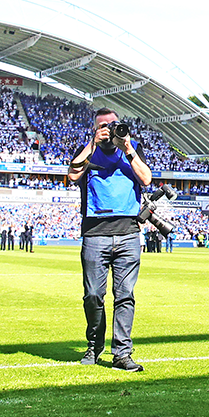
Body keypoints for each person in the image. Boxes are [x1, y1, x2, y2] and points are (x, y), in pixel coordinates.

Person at [68, 108, 152, 372]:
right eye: (102, 125)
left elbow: (147, 179)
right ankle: (94, 344)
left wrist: (127, 148)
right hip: (95, 232)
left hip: (128, 232)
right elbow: (72, 175)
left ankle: (122, 353)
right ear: (94, 128)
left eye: (113, 124)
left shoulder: (133, 148)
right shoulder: (86, 149)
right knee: (93, 295)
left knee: (125, 295)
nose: (108, 128)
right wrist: (92, 143)